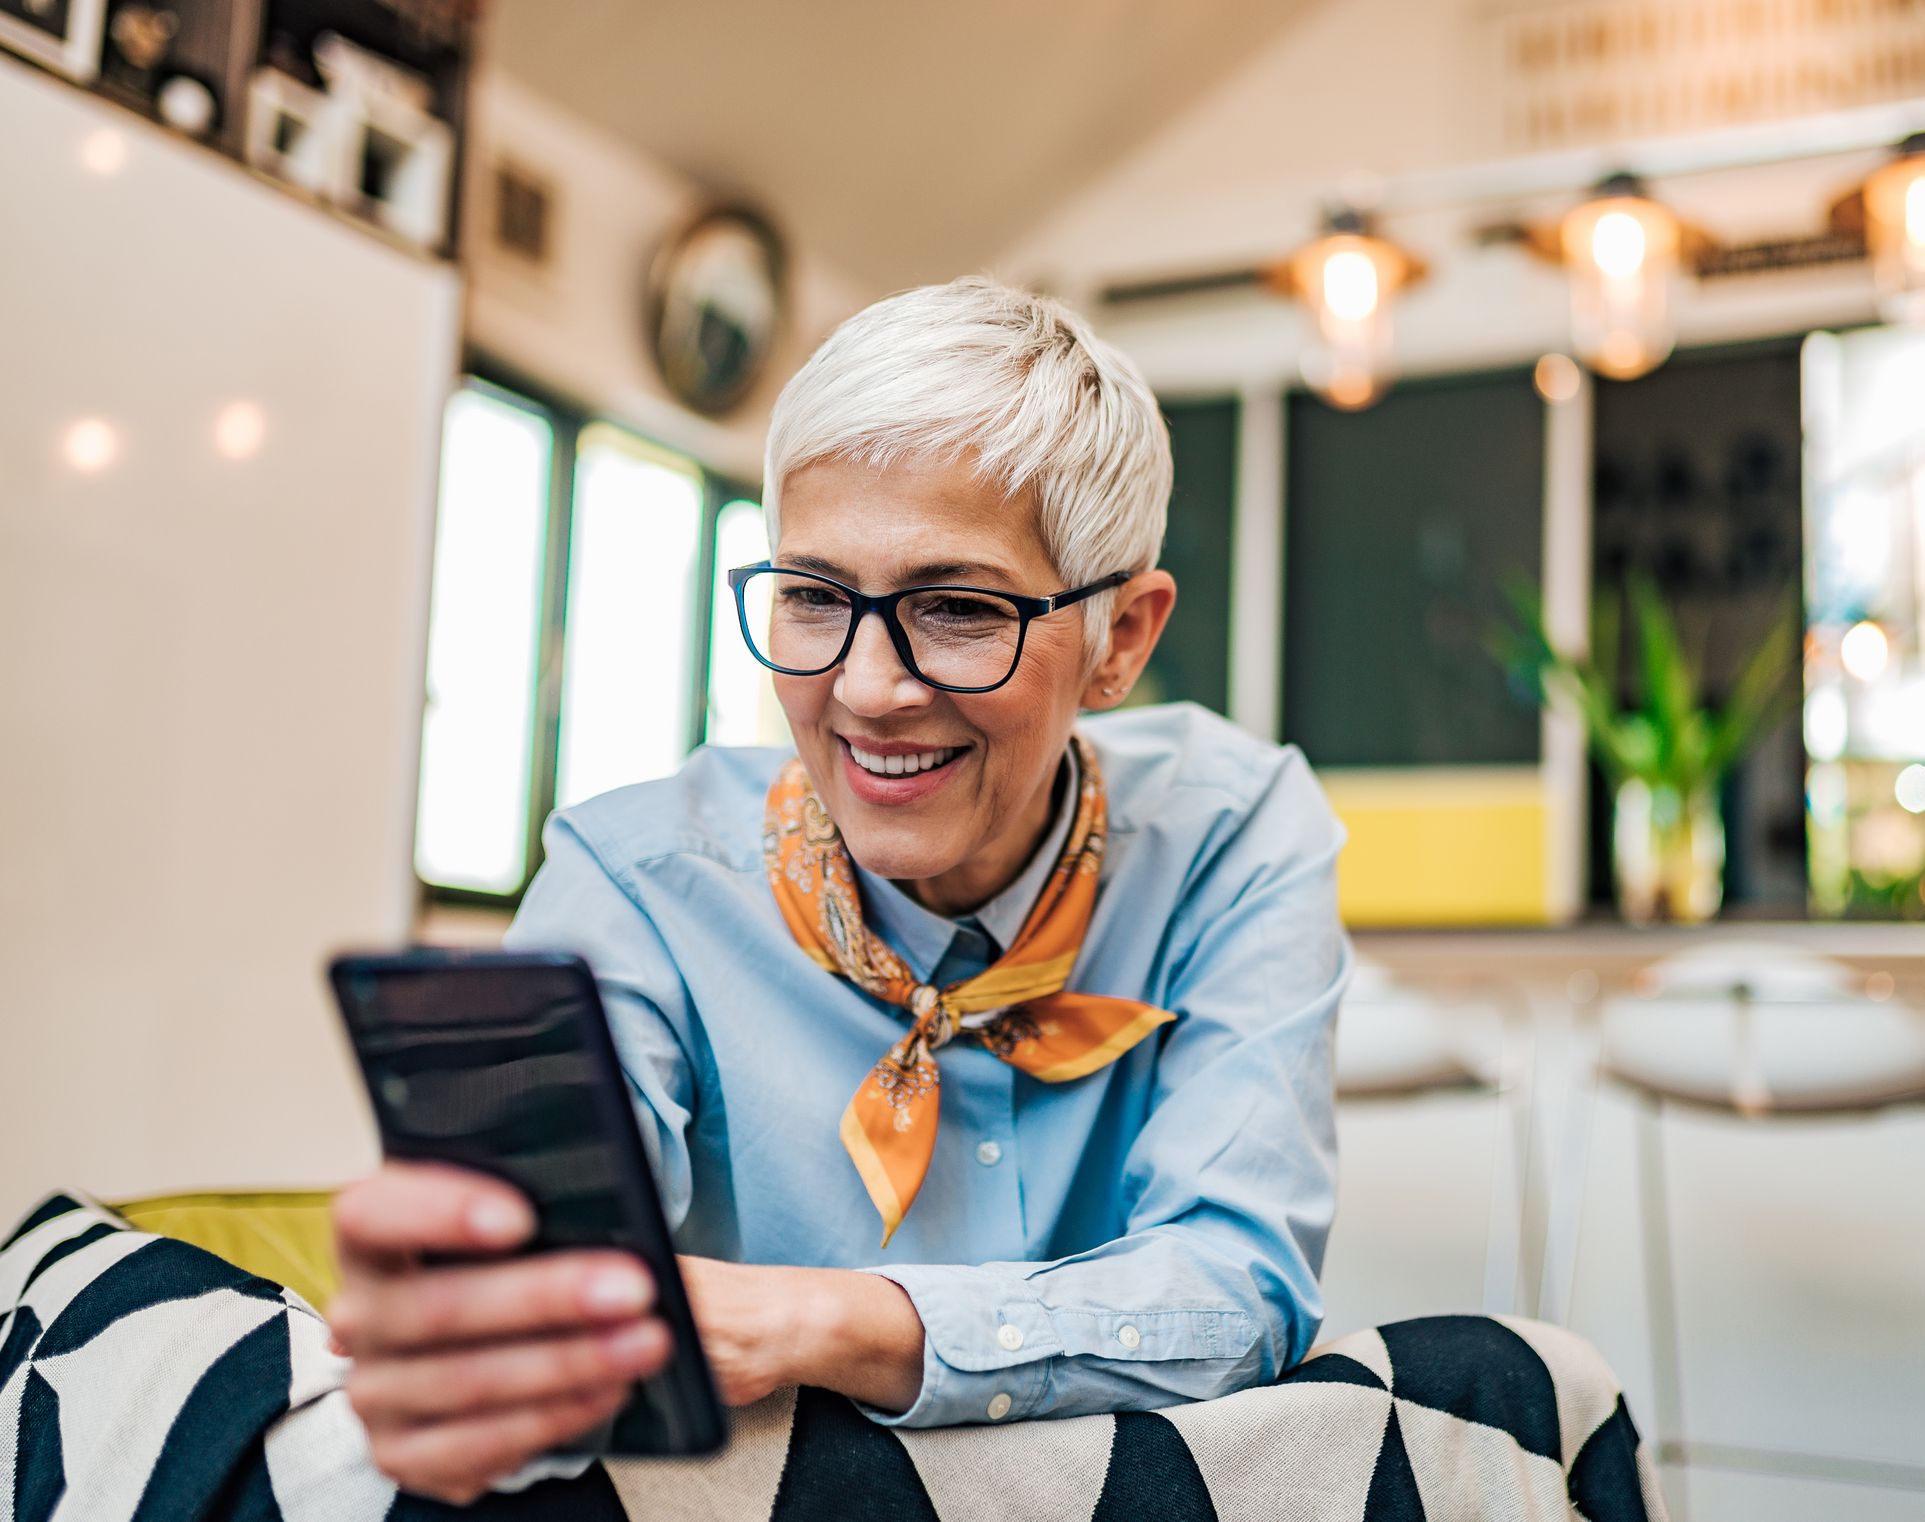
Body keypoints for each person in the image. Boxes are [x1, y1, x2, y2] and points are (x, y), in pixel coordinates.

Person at [325, 277, 1351, 1503]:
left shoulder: (1232, 835)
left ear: (1122, 636)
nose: (865, 689)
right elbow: (541, 1312)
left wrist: (837, 1321)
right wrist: (477, 1332)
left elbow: (1238, 1284)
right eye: (813, 597)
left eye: (959, 609)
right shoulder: (637, 882)